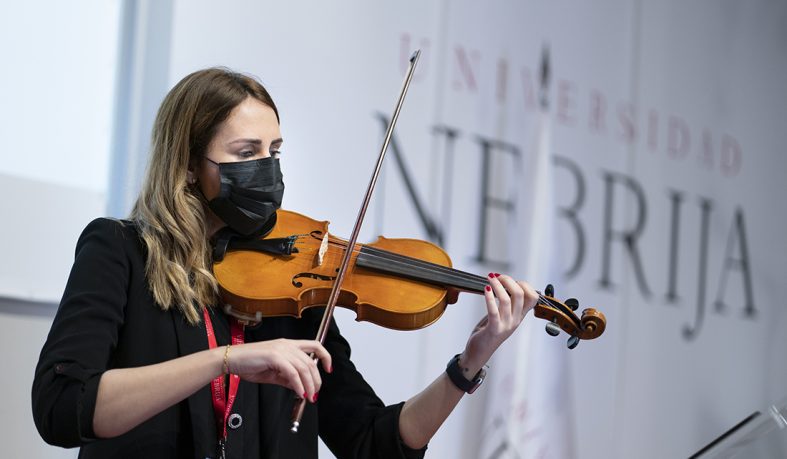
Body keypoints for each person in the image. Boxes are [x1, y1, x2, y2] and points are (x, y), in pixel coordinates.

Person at [32, 67, 538, 458]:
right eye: (246, 152)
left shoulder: (296, 286)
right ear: (188, 165)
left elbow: (373, 444)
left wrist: (470, 362)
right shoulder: (120, 251)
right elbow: (61, 407)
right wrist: (226, 360)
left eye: (275, 150)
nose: (268, 169)